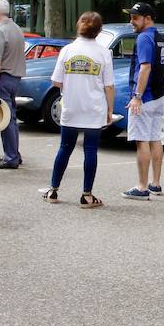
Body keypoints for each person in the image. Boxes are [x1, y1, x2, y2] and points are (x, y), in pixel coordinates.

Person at [44, 11, 115, 207]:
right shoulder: (103, 53)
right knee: (90, 150)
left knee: (65, 148)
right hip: (93, 108)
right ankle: (87, 195)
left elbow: (56, 81)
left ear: (79, 26)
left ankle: (53, 190)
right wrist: (110, 109)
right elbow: (109, 86)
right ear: (99, 30)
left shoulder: (67, 50)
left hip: (71, 107)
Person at [123, 2, 164, 200]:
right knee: (155, 137)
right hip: (159, 95)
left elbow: (145, 67)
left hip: (146, 97)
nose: (131, 22)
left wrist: (137, 97)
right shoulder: (159, 37)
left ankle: (141, 187)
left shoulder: (144, 38)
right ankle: (155, 183)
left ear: (147, 18)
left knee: (142, 142)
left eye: (135, 18)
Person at [0, 0, 26, 169]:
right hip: (15, 78)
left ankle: (11, 157)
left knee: (5, 119)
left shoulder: (0, 32)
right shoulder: (16, 28)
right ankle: (14, 153)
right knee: (11, 117)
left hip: (3, 78)